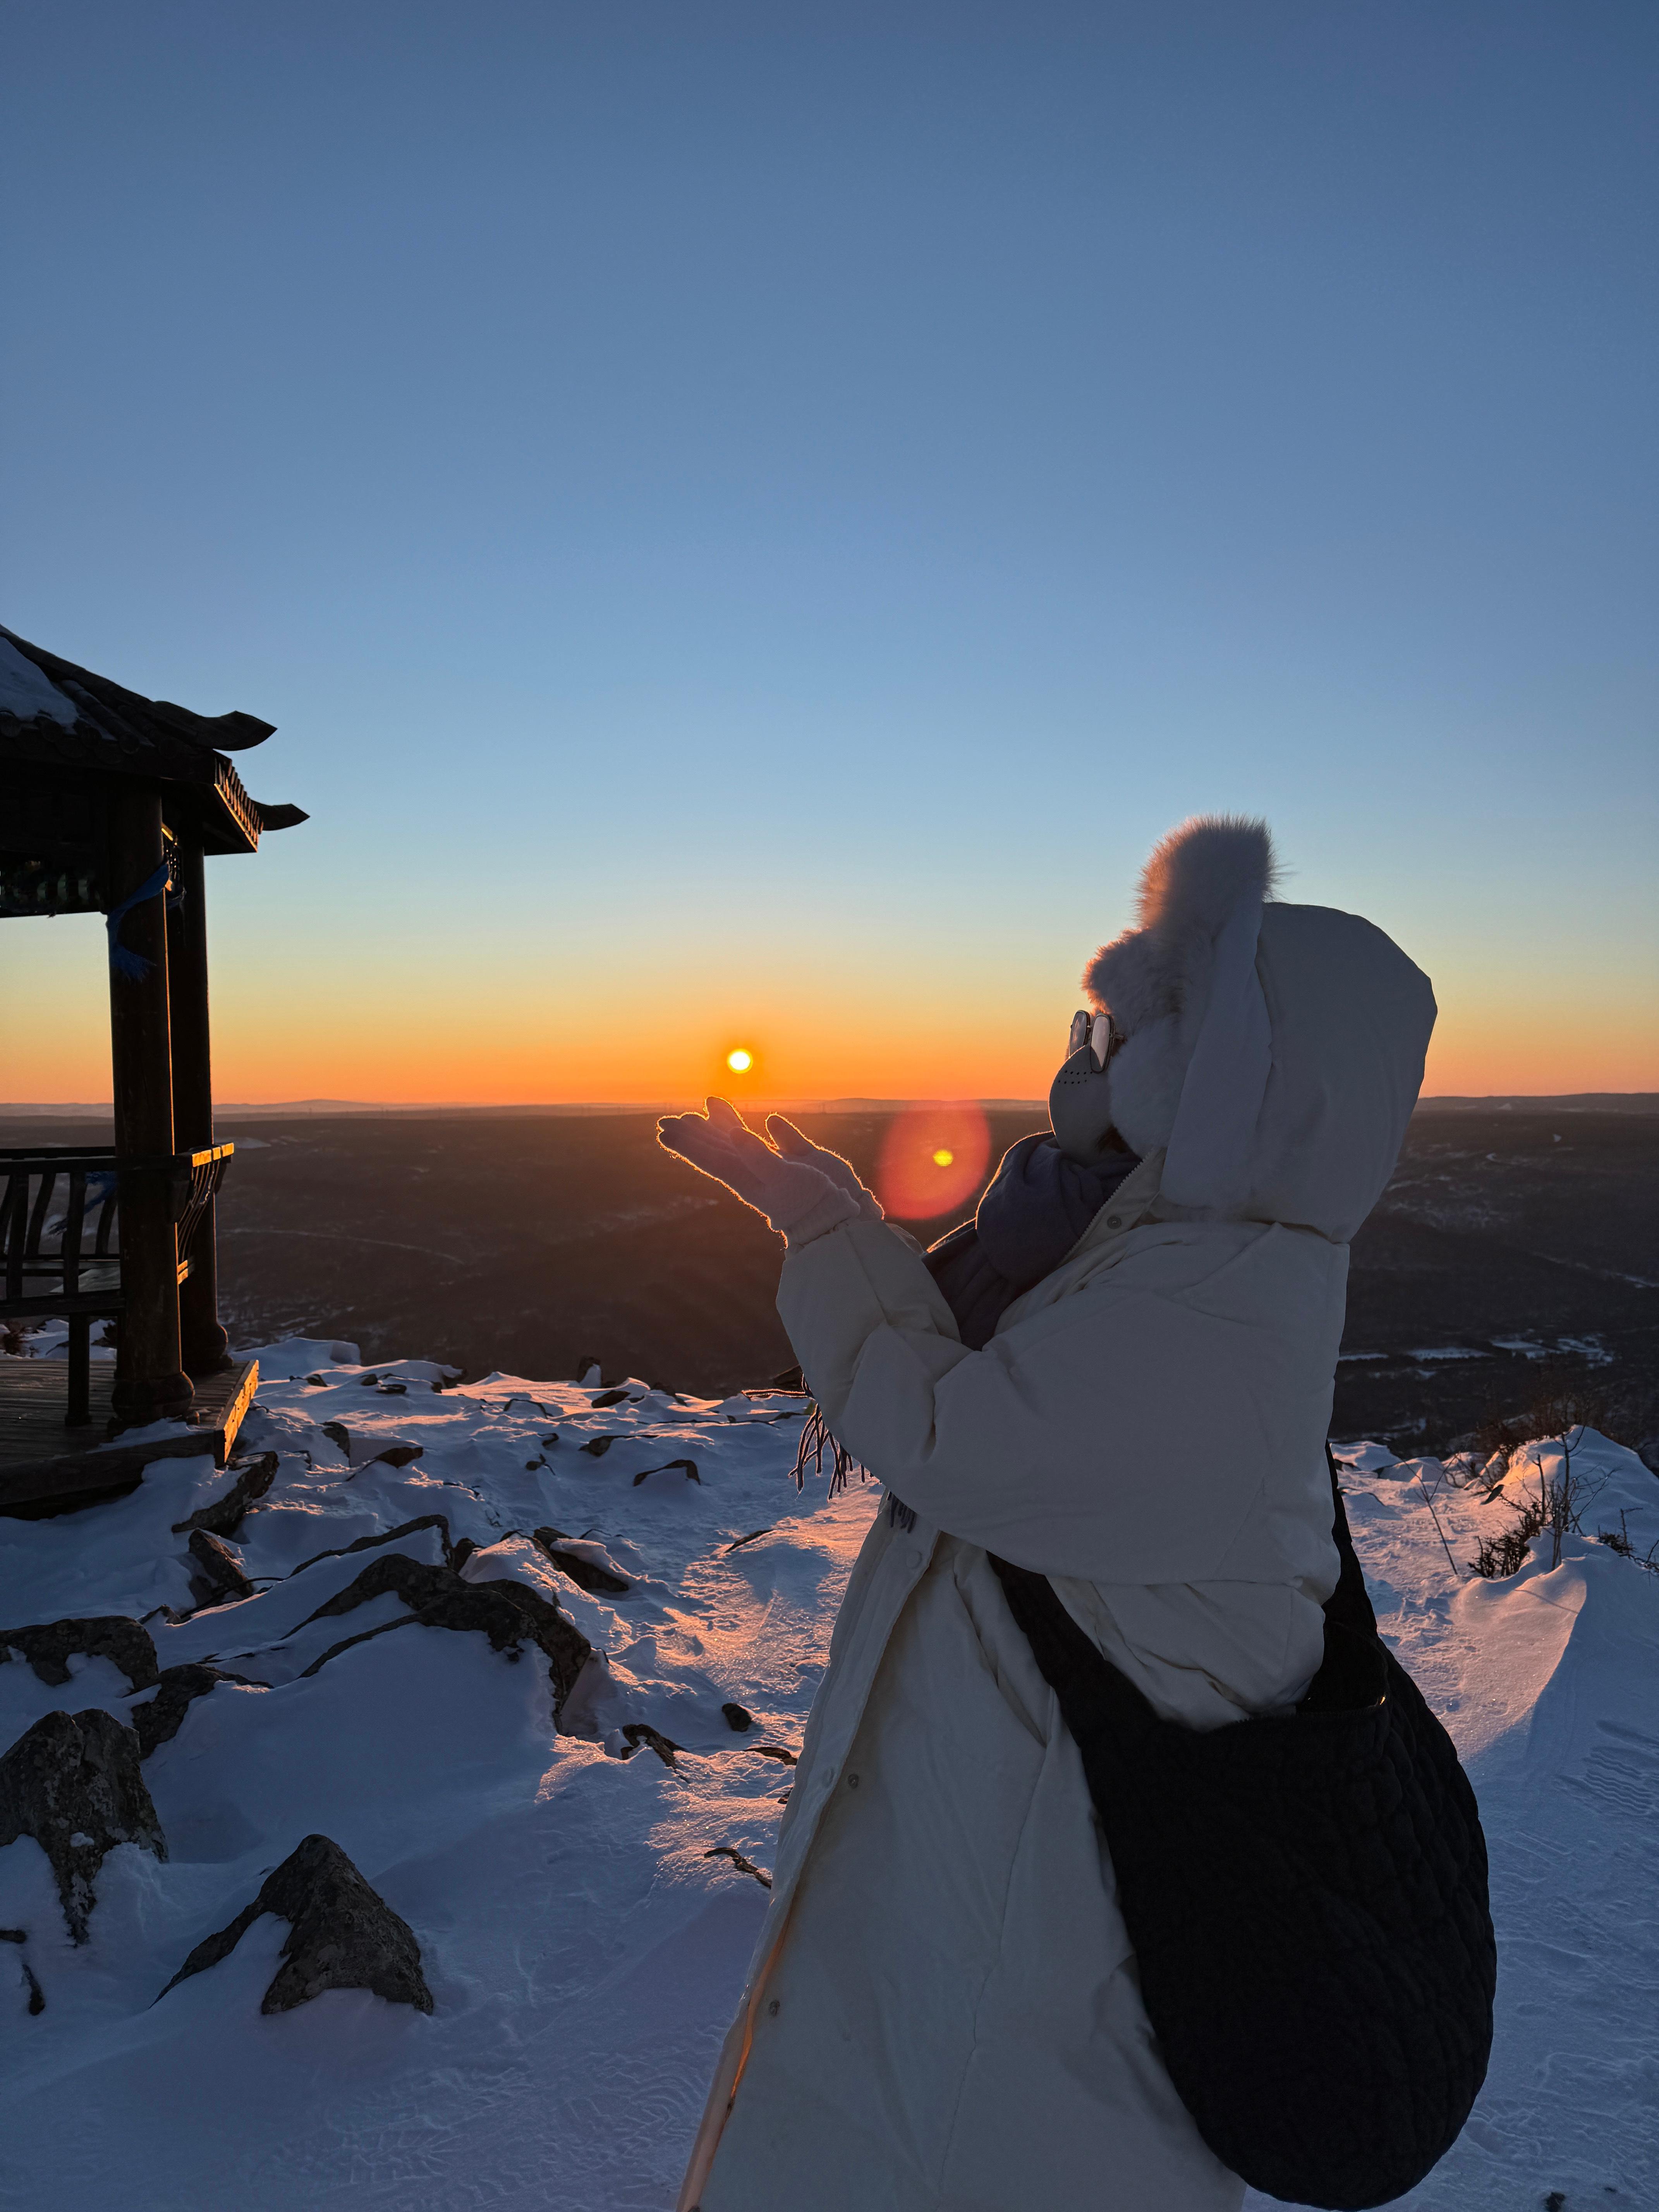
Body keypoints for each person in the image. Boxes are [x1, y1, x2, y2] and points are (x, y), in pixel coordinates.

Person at [657, 815, 1437, 2212]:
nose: (1092, 1054)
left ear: (1236, 1076)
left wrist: (829, 1227)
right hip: (1004, 1905)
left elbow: (948, 1437)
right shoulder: (1172, 1254)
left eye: (1133, 1031)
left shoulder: (1207, 1302)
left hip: (1024, 1996)